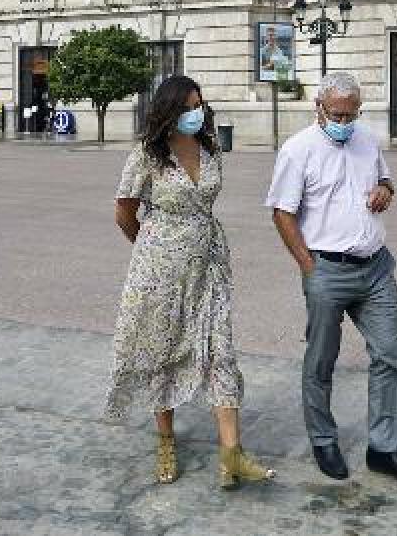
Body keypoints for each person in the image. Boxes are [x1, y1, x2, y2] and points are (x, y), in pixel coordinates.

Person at [106, 75, 275, 490]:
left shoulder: (209, 147)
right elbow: (124, 211)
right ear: (168, 112)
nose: (195, 114)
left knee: (221, 352)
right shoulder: (147, 155)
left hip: (210, 265)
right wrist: (151, 244)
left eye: (199, 105)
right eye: (186, 108)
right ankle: (165, 442)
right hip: (159, 269)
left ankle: (231, 454)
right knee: (163, 352)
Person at [266, 71, 397, 484]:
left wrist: (386, 190)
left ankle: (384, 449)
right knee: (321, 361)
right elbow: (282, 212)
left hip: (375, 268)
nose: (344, 122)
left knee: (390, 356)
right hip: (326, 270)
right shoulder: (297, 150)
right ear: (318, 108)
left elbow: (386, 178)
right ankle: (323, 440)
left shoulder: (366, 139)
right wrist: (308, 266)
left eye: (351, 114)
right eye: (336, 114)